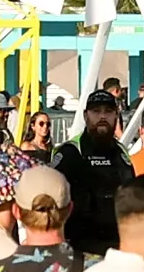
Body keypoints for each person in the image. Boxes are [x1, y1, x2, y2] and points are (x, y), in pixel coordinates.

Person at [55, 86, 129, 258]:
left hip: (116, 250)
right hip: (78, 251)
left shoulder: (122, 153)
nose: (102, 116)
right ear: (85, 115)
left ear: (116, 115)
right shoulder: (70, 152)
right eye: (96, 111)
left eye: (108, 111)